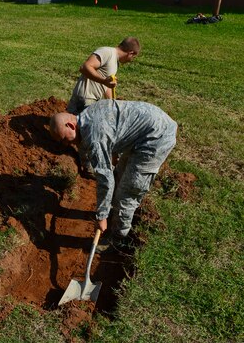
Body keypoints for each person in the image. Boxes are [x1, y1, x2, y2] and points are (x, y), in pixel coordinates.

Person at [49, 99, 177, 254]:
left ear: (70, 125)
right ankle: (112, 214)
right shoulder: (86, 115)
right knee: (119, 176)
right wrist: (114, 152)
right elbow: (115, 125)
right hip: (145, 130)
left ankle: (117, 238)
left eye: (63, 139)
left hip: (156, 137)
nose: (65, 144)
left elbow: (104, 179)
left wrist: (101, 216)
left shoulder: (94, 137)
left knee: (128, 192)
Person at [66, 36, 141, 116]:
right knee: (77, 126)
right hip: (85, 98)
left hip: (92, 100)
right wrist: (104, 81)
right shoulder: (107, 52)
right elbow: (85, 67)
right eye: (133, 57)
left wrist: (112, 103)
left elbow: (106, 86)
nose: (131, 60)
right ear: (131, 53)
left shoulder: (115, 62)